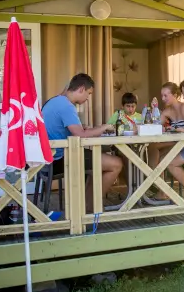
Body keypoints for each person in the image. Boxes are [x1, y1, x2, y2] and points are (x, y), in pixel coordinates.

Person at [42, 73, 123, 213]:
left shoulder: (55, 100)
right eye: (88, 93)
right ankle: (92, 207)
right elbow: (81, 135)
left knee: (97, 163)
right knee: (116, 163)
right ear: (81, 89)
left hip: (49, 158)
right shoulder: (66, 106)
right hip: (59, 159)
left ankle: (87, 206)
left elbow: (74, 129)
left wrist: (84, 128)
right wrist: (104, 127)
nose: (87, 98)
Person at [147, 82, 184, 170]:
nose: (163, 98)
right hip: (175, 142)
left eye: (165, 95)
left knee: (157, 152)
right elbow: (155, 125)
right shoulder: (167, 111)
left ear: (175, 95)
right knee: (152, 147)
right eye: (162, 95)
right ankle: (156, 180)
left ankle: (154, 179)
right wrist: (154, 109)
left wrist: (174, 128)